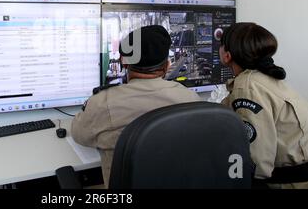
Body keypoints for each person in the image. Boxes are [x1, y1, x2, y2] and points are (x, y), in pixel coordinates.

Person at [71, 25, 200, 187]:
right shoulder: (190, 99)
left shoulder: (103, 103)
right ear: (167, 66)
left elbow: (79, 135)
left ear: (125, 64)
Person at [219, 23, 308, 189]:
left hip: (289, 182)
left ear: (227, 55)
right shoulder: (264, 78)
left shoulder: (247, 86)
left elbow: (256, 164)